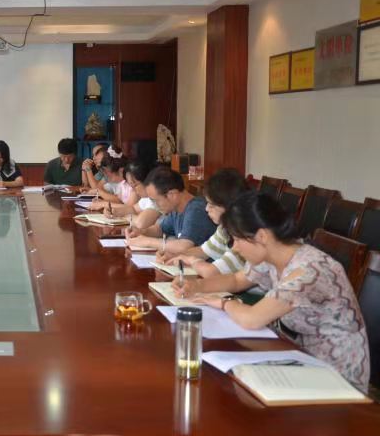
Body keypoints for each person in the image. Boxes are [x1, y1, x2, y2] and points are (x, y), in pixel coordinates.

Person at [172, 192, 370, 391]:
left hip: (336, 375)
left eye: (237, 240)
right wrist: (195, 286)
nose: (236, 248)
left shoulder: (310, 271)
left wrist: (224, 303)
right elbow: (236, 280)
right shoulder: (273, 254)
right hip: (296, 355)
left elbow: (252, 319)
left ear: (261, 236)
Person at [159, 168, 250, 278]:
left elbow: (211, 272)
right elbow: (203, 251)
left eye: (212, 205)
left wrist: (191, 260)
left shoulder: (246, 238)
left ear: (229, 206)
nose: (206, 209)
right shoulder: (224, 229)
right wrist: (174, 256)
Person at [126, 166, 216, 254]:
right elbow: (159, 229)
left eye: (156, 200)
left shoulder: (196, 209)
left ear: (172, 195)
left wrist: (148, 242)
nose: (155, 205)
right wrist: (141, 232)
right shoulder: (176, 209)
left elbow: (184, 247)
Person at [101, 160, 161, 230]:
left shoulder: (157, 199)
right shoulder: (146, 199)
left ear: (146, 180)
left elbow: (140, 223)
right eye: (131, 186)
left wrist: (124, 216)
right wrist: (114, 211)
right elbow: (133, 209)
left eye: (135, 185)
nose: (133, 190)